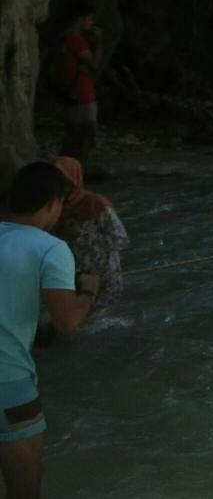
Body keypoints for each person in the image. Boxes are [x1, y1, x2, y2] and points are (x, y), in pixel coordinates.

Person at [0, 163, 98, 497]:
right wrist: (88, 291)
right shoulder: (50, 248)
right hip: (8, 383)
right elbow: (67, 321)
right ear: (52, 204)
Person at [50, 158, 124, 323]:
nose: (59, 186)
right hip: (73, 274)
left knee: (98, 323)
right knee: (75, 319)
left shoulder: (96, 203)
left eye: (64, 181)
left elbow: (120, 238)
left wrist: (87, 242)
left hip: (104, 274)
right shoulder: (54, 207)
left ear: (74, 180)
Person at [51, 9, 99, 166]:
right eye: (90, 19)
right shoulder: (77, 41)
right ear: (80, 19)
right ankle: (77, 174)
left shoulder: (62, 40)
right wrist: (99, 42)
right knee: (85, 136)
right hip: (82, 92)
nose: (92, 23)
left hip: (70, 91)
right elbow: (94, 64)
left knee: (72, 136)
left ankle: (64, 172)